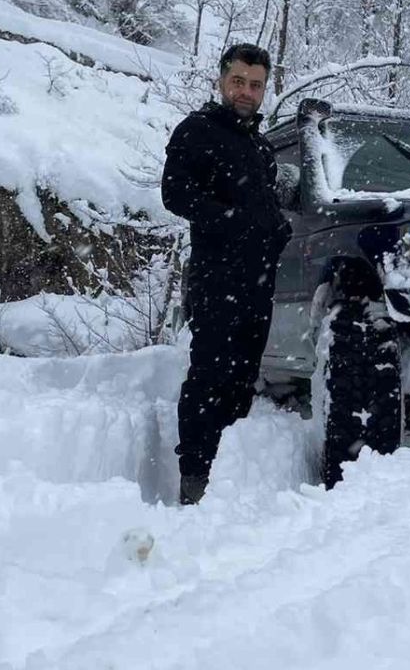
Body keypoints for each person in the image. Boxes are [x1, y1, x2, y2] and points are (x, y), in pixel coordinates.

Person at [161, 44, 291, 505]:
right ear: (221, 81)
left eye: (256, 85)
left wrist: (278, 228)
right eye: (239, 81)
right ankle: (193, 480)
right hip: (217, 280)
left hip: (259, 286)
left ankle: (228, 480)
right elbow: (174, 194)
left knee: (242, 380)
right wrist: (231, 219)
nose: (247, 92)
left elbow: (267, 206)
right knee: (208, 377)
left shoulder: (261, 145)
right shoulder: (198, 130)